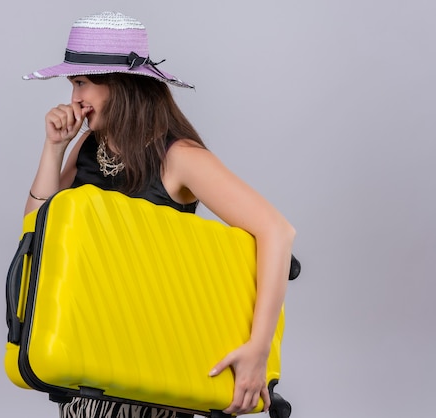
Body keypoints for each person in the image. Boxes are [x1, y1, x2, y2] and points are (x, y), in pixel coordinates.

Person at [22, 11, 295, 418]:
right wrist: (53, 149)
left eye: (83, 82)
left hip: (153, 374)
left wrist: (257, 350)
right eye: (72, 83)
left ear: (123, 84)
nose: (75, 96)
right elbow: (34, 231)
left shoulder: (178, 157)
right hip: (93, 369)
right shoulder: (87, 150)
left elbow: (277, 231)